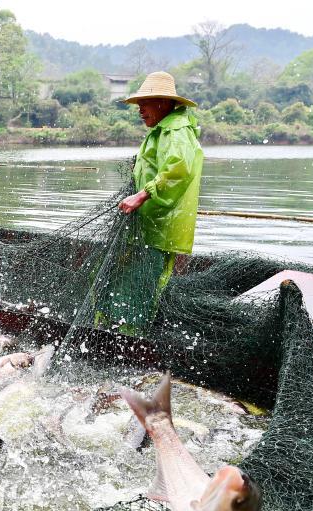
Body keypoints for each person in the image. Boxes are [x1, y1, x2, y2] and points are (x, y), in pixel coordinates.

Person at [99, 71, 204, 334]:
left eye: (144, 104)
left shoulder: (176, 130)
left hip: (160, 227)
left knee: (143, 287)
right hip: (150, 225)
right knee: (132, 283)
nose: (140, 110)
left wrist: (142, 194)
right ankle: (121, 332)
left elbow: (179, 168)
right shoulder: (163, 129)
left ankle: (131, 338)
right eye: (138, 105)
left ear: (162, 103)